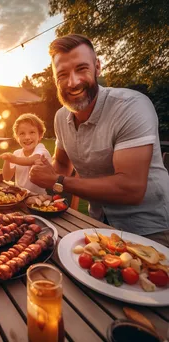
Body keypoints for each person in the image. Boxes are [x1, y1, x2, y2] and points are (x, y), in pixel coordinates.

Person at [29, 34, 169, 246]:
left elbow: (130, 188)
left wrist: (57, 182)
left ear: (97, 67)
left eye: (81, 69)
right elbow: (62, 165)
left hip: (151, 230)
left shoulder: (131, 106)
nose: (73, 82)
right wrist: (46, 170)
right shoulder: (60, 117)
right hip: (97, 224)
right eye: (63, 74)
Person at [0, 113, 52, 194]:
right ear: (17, 137)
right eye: (22, 133)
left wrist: (13, 159)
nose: (27, 137)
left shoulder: (41, 149)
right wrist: (7, 160)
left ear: (40, 135)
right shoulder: (17, 153)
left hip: (38, 198)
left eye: (32, 132)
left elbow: (31, 160)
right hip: (19, 196)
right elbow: (6, 177)